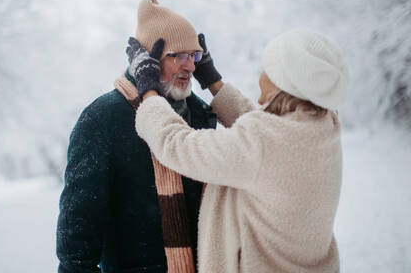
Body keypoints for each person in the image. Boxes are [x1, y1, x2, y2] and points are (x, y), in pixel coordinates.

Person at [131, 29, 349, 272]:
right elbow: (267, 137)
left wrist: (148, 90)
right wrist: (214, 82)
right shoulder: (324, 126)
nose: (261, 76)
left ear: (283, 82)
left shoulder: (262, 143)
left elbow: (177, 145)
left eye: (268, 69)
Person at [56, 0, 217, 273]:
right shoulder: (103, 119)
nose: (190, 66)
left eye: (194, 55)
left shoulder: (202, 115)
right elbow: (77, 244)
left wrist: (216, 85)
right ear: (149, 59)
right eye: (177, 55)